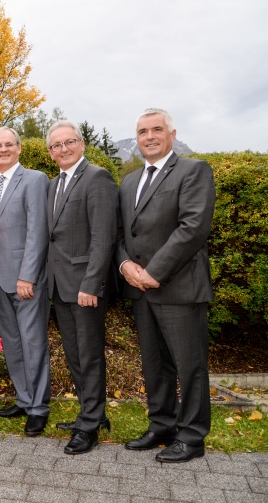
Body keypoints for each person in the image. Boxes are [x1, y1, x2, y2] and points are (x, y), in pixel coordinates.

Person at [117, 108, 215, 463]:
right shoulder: (129, 182)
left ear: (172, 134)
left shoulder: (193, 170)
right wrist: (125, 265)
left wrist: (154, 272)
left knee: (190, 366)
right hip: (140, 288)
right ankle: (162, 425)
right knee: (155, 364)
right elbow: (120, 232)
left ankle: (192, 436)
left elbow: (193, 228)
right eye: (143, 131)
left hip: (179, 288)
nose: (149, 137)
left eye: (157, 129)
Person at [45, 121, 119, 454]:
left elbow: (103, 237)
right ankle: (93, 413)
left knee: (89, 355)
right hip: (60, 286)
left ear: (82, 144)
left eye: (69, 142)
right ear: (50, 153)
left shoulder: (97, 178)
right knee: (75, 355)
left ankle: (89, 427)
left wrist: (91, 284)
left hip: (85, 287)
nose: (63, 149)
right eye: (56, 145)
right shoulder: (53, 184)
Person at [0, 127, 51, 437]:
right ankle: (24, 399)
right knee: (11, 341)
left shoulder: (35, 180)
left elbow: (38, 230)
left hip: (26, 279)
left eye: (9, 144)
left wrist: (28, 275)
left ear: (19, 148)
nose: (3, 149)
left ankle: (39, 408)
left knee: (32, 341)